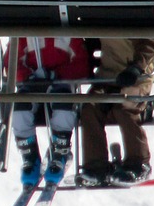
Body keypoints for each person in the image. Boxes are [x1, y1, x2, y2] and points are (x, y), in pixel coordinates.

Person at [7, 37, 91, 188]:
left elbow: (82, 64)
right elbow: (10, 64)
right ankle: (29, 155)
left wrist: (59, 75)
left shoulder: (69, 34)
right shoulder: (24, 36)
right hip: (32, 83)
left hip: (61, 84)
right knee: (19, 109)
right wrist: (29, 76)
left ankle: (60, 150)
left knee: (63, 106)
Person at [76, 34, 154, 187]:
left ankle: (139, 163)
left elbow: (150, 43)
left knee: (124, 108)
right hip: (107, 77)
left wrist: (136, 68)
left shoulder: (136, 19)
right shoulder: (104, 18)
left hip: (136, 79)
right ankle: (96, 167)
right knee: (90, 108)